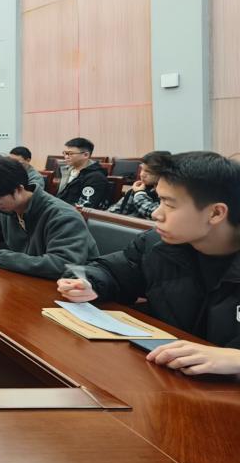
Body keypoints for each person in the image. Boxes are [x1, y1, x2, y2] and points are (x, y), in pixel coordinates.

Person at [57, 152, 240, 376]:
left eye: (169, 205)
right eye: (159, 200)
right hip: (165, 375)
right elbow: (114, 271)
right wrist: (90, 283)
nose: (155, 213)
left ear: (215, 213)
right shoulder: (157, 245)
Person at [0, 156, 98, 279]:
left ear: (18, 189)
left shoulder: (62, 216)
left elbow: (62, 264)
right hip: (27, 280)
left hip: (75, 287)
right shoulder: (7, 210)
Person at [108, 151, 171, 220]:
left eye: (148, 171)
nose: (142, 175)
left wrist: (139, 193)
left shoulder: (168, 193)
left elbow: (154, 214)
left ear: (163, 173)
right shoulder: (141, 187)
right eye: (142, 169)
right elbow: (117, 208)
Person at [56, 137, 109, 209]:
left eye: (70, 153)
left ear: (86, 155)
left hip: (71, 213)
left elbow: (85, 206)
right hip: (59, 209)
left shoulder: (95, 177)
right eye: (65, 153)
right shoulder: (64, 170)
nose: (66, 156)